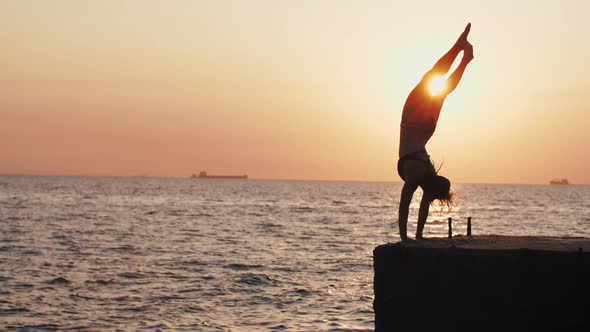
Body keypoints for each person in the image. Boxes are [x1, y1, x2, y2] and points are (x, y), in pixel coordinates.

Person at [397, 23, 474, 241]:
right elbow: (412, 206)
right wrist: (414, 236)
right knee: (439, 85)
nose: (427, 198)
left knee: (436, 82)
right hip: (416, 125)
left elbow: (406, 203)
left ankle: (462, 53)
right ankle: (463, 55)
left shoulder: (424, 172)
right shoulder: (422, 174)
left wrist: (406, 238)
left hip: (421, 126)